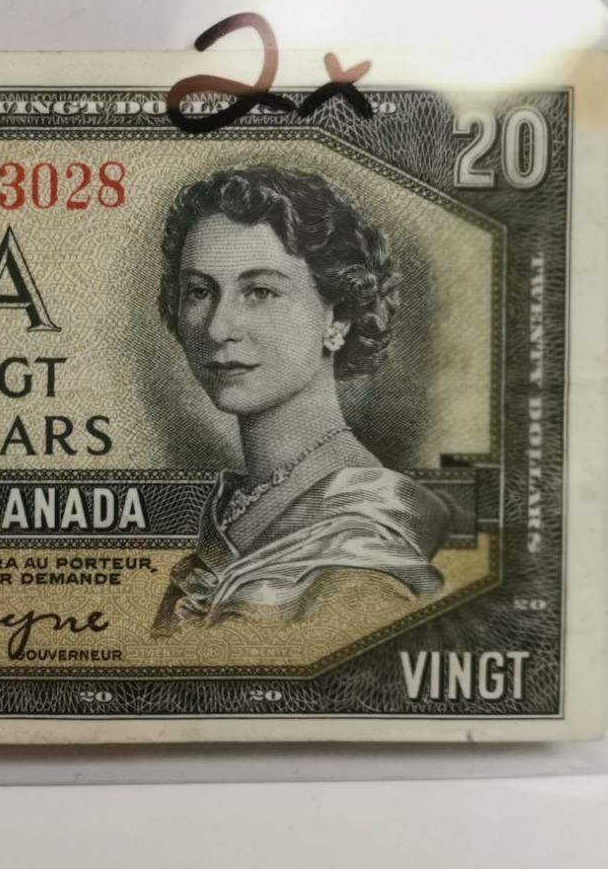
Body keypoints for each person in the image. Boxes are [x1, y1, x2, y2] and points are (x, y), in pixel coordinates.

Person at [151, 165, 449, 632]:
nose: (218, 328)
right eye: (200, 291)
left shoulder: (362, 553)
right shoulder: (237, 507)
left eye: (260, 291)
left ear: (339, 316)